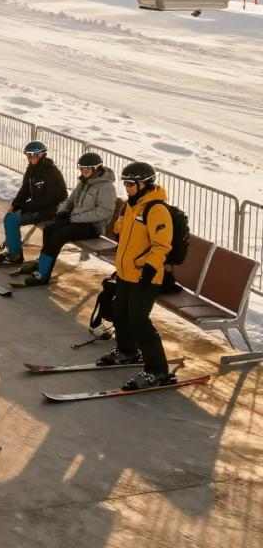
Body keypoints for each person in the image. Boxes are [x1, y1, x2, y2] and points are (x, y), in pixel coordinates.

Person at [98, 162, 174, 389]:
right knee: (119, 312)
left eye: (131, 184)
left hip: (145, 276)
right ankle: (127, 351)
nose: (127, 188)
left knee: (139, 321)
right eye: (125, 183)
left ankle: (157, 371)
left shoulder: (156, 210)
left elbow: (161, 246)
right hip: (125, 272)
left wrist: (148, 269)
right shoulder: (132, 206)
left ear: (145, 183)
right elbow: (123, 235)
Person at [16, 152, 117, 286]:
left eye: (87, 168)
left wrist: (76, 217)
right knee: (50, 229)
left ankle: (43, 275)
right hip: (76, 220)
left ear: (96, 168)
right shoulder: (84, 182)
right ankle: (42, 264)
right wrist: (62, 211)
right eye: (81, 168)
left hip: (93, 226)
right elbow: (70, 200)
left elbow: (104, 212)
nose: (84, 171)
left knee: (59, 235)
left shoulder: (106, 187)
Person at [0, 140, 67, 267]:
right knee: (9, 217)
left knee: (12, 220)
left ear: (42, 155)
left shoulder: (51, 172)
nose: (31, 158)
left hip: (50, 211)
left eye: (35, 155)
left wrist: (25, 207)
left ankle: (15, 256)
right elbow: (25, 190)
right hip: (38, 208)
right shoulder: (32, 169)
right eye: (29, 155)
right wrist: (15, 205)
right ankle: (13, 251)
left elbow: (51, 199)